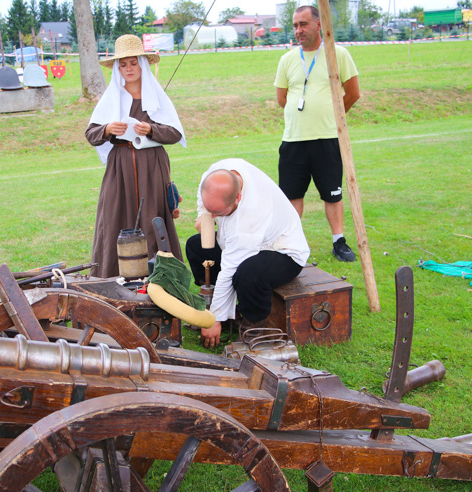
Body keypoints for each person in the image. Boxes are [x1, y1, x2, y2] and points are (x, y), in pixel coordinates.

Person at [85, 34, 187, 278]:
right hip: (119, 168)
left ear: (142, 64)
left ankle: (161, 279)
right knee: (114, 218)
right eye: (123, 64)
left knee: (153, 219)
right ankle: (112, 278)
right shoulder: (111, 97)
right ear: (117, 68)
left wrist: (151, 129)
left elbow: (174, 133)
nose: (128, 69)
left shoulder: (156, 96)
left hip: (152, 166)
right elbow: (91, 134)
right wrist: (108, 129)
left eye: (133, 63)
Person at [185, 159, 310, 349]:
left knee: (249, 274)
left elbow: (230, 269)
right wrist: (204, 215)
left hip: (282, 250)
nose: (215, 217)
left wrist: (213, 320)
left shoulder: (250, 215)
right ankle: (224, 313)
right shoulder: (214, 175)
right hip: (242, 241)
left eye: (219, 213)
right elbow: (204, 203)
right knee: (196, 246)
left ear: (238, 198)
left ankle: (252, 331)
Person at [274, 5, 361, 263]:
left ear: (319, 24)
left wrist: (335, 118)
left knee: (332, 194)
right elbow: (282, 98)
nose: (299, 30)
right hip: (294, 140)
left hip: (327, 139)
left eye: (304, 24)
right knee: (292, 195)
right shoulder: (288, 59)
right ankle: (291, 243)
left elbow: (353, 92)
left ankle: (339, 242)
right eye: (295, 25)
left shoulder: (338, 54)